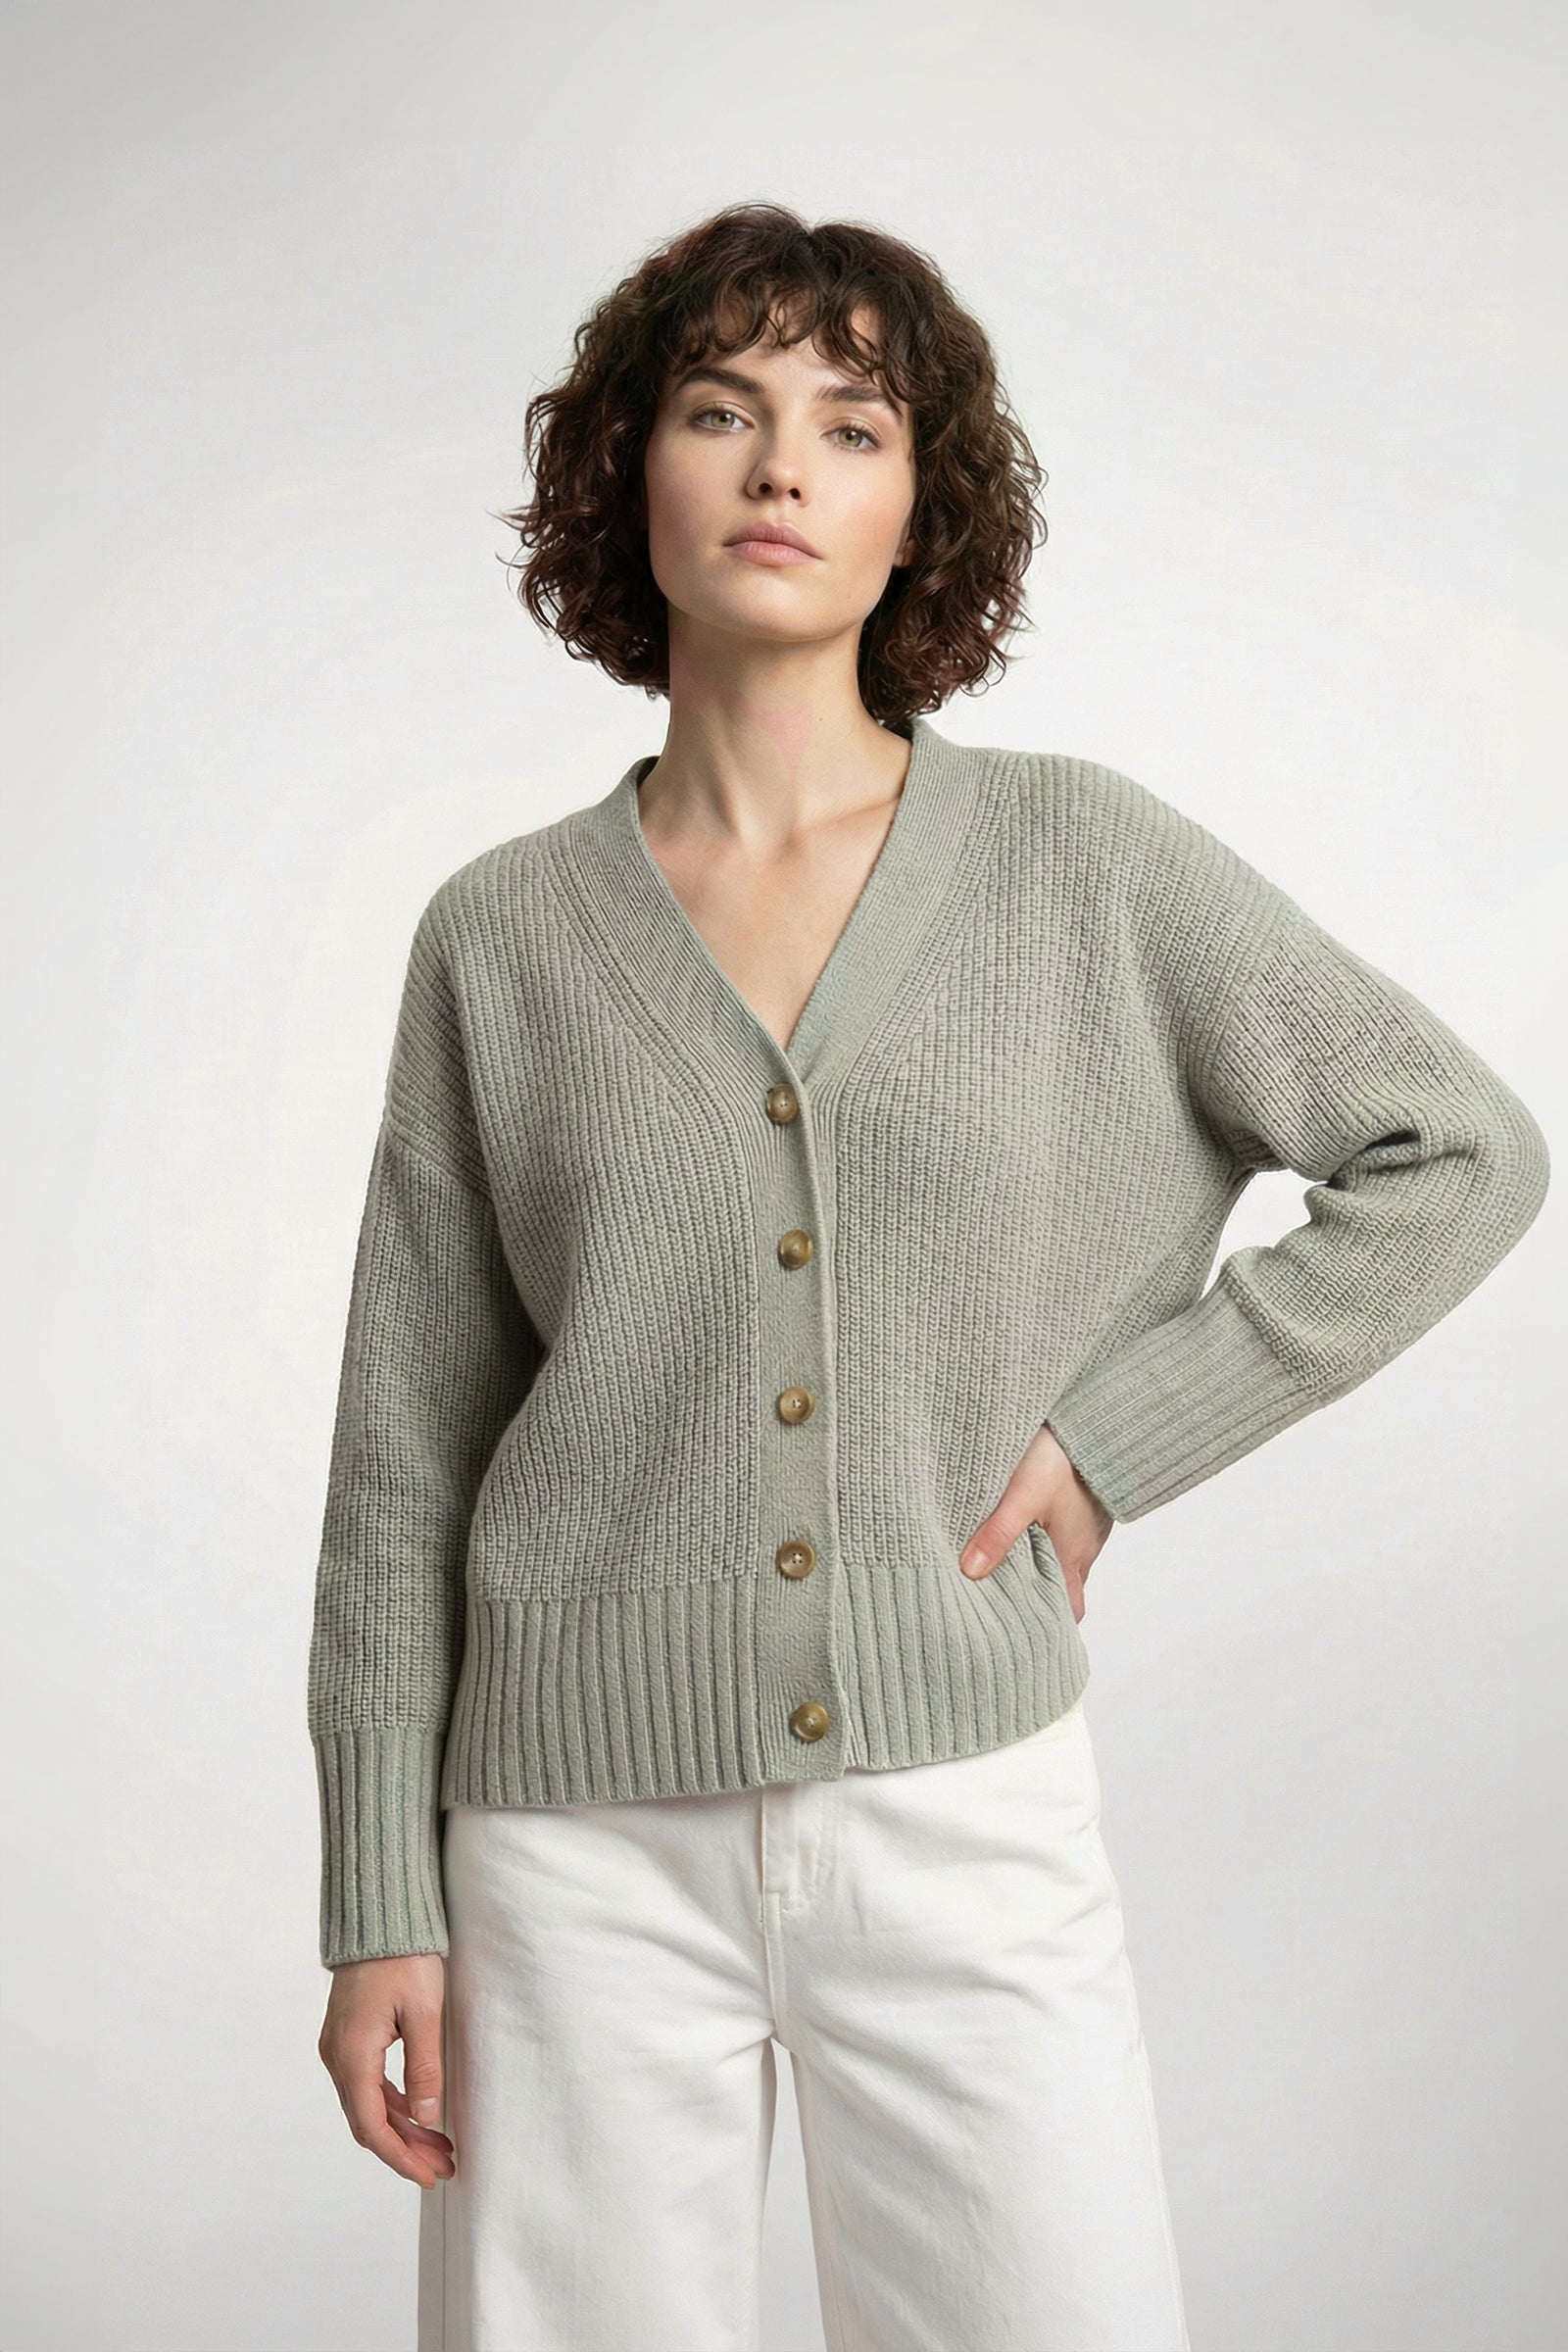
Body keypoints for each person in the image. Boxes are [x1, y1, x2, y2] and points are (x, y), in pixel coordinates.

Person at [307, 202, 1549, 2352]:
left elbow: (1456, 1148)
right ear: (631, 474)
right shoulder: (498, 936)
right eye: (721, 412)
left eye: (852, 426)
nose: (782, 466)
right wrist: (374, 1898)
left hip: (961, 1804)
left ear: (918, 512)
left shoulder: (1081, 861)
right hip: (566, 1848)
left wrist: (1119, 1438)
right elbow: (407, 1453)